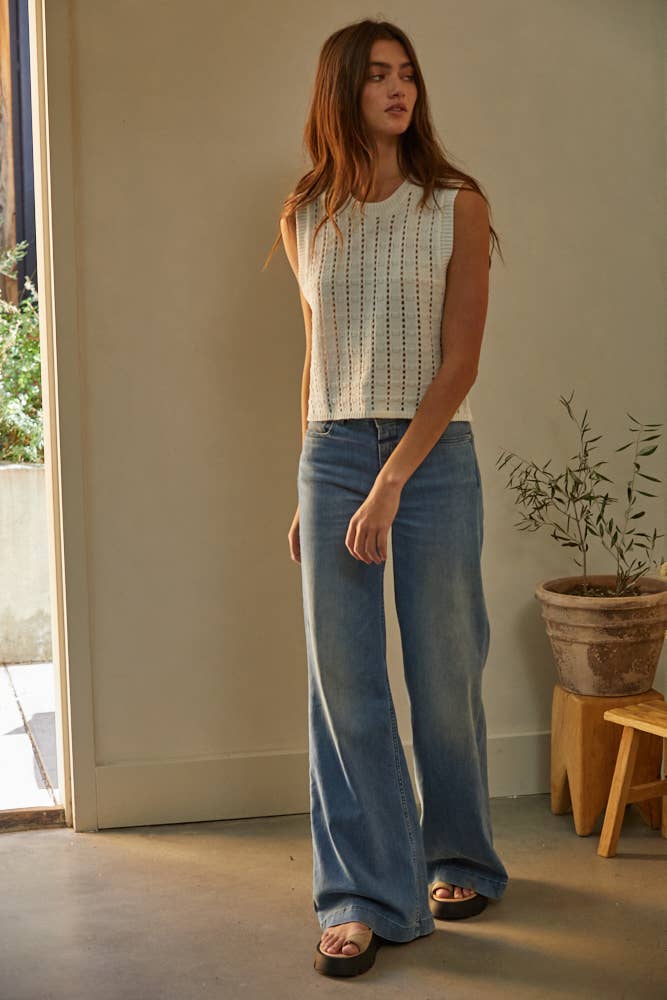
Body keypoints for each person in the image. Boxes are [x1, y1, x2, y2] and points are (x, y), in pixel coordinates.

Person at [264, 17, 509, 978]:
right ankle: (365, 896)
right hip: (330, 456)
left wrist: (392, 479)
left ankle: (460, 857)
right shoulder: (305, 211)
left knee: (445, 670)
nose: (398, 89)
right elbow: (315, 352)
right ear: (342, 90)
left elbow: (460, 362)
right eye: (376, 76)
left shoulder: (455, 204)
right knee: (344, 688)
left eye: (406, 74)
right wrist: (309, 481)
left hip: (432, 455)